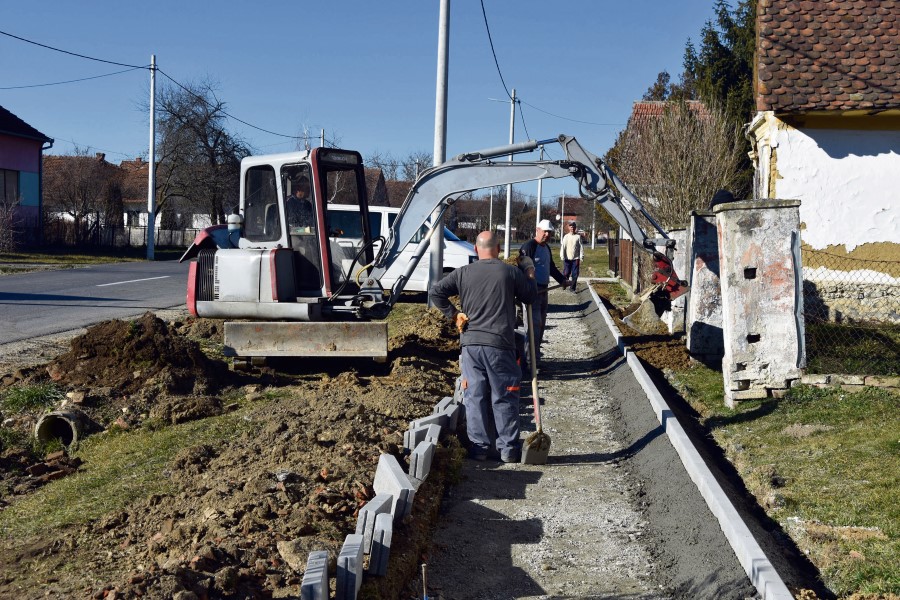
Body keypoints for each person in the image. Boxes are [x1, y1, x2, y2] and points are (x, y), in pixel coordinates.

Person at [430, 231, 538, 463]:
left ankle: (479, 449)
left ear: (476, 250)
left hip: (470, 347)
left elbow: (435, 292)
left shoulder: (462, 273)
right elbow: (530, 296)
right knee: (504, 395)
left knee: (475, 396)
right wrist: (529, 270)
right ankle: (508, 449)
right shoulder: (510, 272)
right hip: (500, 345)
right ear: (498, 249)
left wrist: (454, 314)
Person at [518, 219, 569, 367]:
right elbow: (522, 268)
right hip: (531, 292)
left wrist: (562, 280)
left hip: (544, 291)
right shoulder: (528, 247)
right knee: (532, 327)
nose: (547, 234)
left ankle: (535, 359)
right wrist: (527, 287)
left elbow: (551, 267)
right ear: (537, 230)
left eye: (549, 232)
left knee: (540, 326)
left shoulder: (546, 248)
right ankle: (530, 362)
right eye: (544, 231)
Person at [559, 221, 583, 293]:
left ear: (575, 228)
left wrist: (581, 256)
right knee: (566, 273)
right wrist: (562, 255)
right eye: (571, 227)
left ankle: (572, 288)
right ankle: (564, 284)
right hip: (567, 259)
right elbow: (563, 247)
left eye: (573, 227)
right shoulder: (566, 237)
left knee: (575, 274)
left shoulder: (578, 237)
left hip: (575, 259)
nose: (572, 228)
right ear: (569, 228)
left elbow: (581, 247)